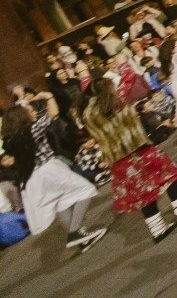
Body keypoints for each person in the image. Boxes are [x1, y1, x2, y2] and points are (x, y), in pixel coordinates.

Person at [80, 78, 177, 243]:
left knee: (142, 191)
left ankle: (157, 229)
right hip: (136, 150)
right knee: (170, 173)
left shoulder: (87, 115)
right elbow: (132, 124)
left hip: (117, 160)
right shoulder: (115, 105)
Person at [1, 93, 106, 251]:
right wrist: (48, 96)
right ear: (22, 117)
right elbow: (54, 114)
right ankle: (75, 232)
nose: (34, 113)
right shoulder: (32, 130)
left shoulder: (11, 140)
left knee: (62, 201)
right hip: (48, 170)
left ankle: (82, 240)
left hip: (32, 178)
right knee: (86, 189)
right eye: (31, 111)